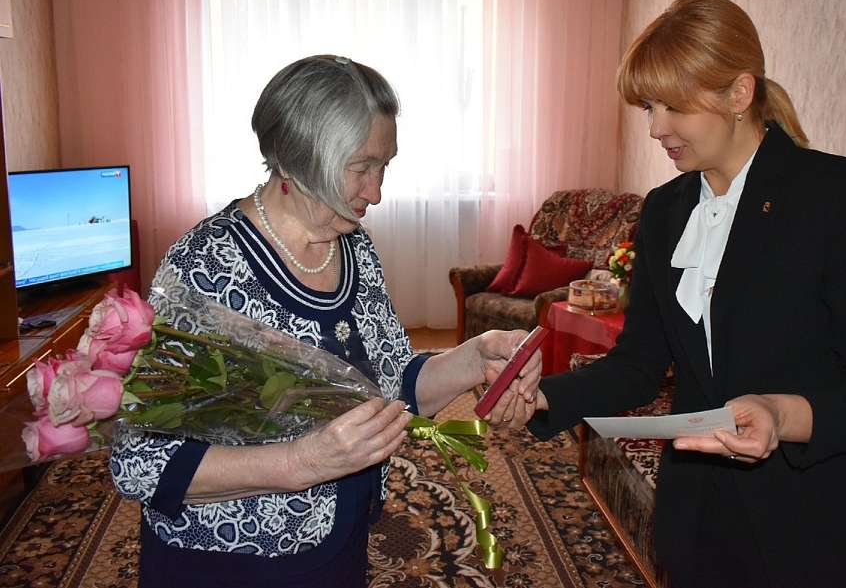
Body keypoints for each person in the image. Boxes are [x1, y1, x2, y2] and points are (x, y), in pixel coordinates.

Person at [521, 0, 846, 588]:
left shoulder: (840, 196)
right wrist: (540, 393)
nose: (656, 128)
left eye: (673, 106)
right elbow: (639, 365)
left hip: (820, 527)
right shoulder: (664, 212)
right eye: (649, 106)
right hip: (700, 522)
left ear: (739, 93)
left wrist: (783, 415)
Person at [110, 55, 540, 588]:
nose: (377, 191)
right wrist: (300, 463)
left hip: (339, 539)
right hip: (230, 563)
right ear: (295, 157)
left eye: (385, 165)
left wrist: (476, 357)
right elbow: (141, 462)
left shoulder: (354, 247)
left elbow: (392, 388)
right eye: (361, 167)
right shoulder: (210, 264)